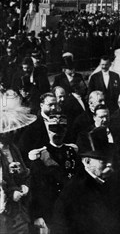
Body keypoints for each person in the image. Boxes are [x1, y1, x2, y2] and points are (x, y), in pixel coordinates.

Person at [52, 126, 120, 234]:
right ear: (87, 161)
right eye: (103, 160)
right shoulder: (74, 191)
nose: (110, 164)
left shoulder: (110, 182)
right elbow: (62, 228)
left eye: (110, 158)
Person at [29, 114, 81, 232]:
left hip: (71, 206)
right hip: (50, 209)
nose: (57, 134)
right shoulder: (41, 155)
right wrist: (37, 214)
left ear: (65, 130)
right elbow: (35, 187)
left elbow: (79, 178)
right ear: (48, 130)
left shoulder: (71, 151)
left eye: (61, 130)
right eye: (53, 130)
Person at [0, 91, 34, 234]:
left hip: (19, 211)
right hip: (4, 211)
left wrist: (25, 185)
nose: (12, 133)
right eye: (8, 130)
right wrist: (10, 191)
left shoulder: (13, 148)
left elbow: (25, 173)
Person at [18, 92, 58, 162]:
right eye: (50, 105)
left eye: (55, 105)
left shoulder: (60, 120)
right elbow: (24, 148)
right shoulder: (33, 124)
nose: (54, 108)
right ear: (41, 105)